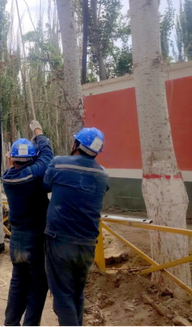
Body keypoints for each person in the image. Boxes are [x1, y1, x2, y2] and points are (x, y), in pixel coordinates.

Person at [43, 127, 109, 327]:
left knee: (63, 298)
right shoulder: (103, 174)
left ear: (76, 145)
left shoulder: (59, 163)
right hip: (87, 245)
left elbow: (45, 185)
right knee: (77, 295)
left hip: (60, 242)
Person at [2, 121, 54, 327]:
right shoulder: (32, 175)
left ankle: (10, 323)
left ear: (12, 159)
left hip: (17, 241)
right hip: (35, 240)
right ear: (32, 159)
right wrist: (38, 132)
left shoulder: (8, 177)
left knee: (18, 282)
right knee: (38, 286)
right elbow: (47, 157)